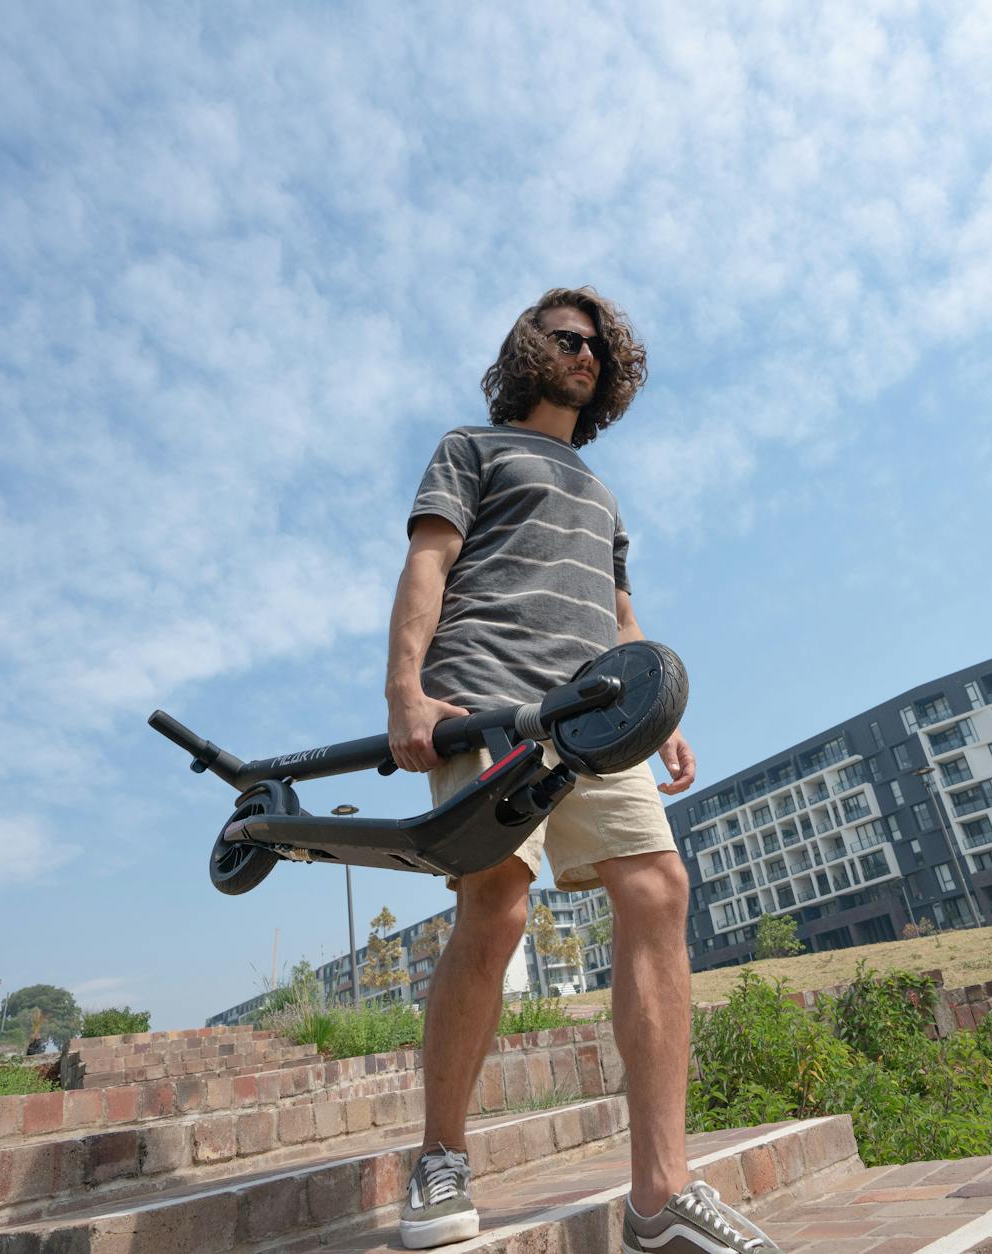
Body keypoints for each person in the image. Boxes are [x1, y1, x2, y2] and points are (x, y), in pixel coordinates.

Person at [386, 288, 783, 1252]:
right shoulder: (469, 449)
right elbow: (429, 567)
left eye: (599, 350)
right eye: (567, 340)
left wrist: (660, 712)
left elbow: (623, 623)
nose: (585, 356)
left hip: (599, 718)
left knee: (658, 887)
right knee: (498, 902)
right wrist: (406, 693)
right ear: (529, 349)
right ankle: (441, 1158)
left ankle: (660, 1197)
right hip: (488, 696)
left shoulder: (602, 497)